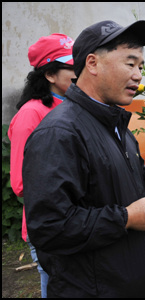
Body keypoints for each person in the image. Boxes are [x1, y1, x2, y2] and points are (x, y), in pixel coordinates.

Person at [22, 20, 145, 297]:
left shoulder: (114, 125)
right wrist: (125, 218)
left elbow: (131, 188)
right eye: (130, 64)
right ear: (93, 63)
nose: (138, 76)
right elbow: (49, 227)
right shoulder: (60, 133)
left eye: (141, 67)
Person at [8, 33, 75, 298]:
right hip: (50, 226)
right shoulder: (31, 114)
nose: (80, 73)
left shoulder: (74, 108)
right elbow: (21, 183)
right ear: (49, 74)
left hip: (78, 222)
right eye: (72, 67)